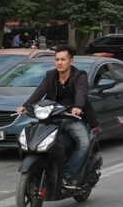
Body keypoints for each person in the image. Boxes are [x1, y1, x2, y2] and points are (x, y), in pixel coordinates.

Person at [16, 46, 98, 189]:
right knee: (34, 140)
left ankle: (68, 175)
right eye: (57, 60)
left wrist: (78, 106)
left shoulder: (80, 76)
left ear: (71, 61)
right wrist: (26, 105)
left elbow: (81, 92)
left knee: (84, 143)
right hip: (52, 118)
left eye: (63, 59)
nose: (59, 63)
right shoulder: (50, 75)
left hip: (73, 118)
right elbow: (39, 91)